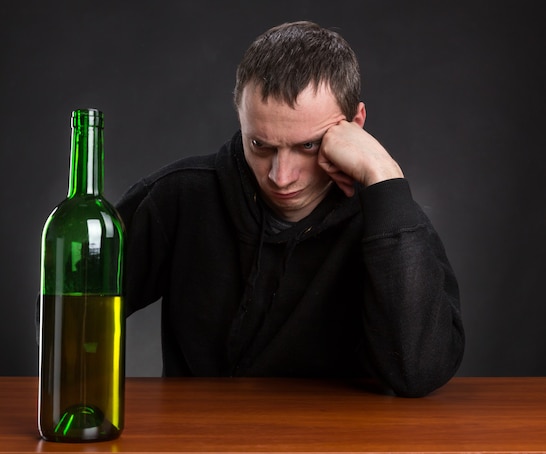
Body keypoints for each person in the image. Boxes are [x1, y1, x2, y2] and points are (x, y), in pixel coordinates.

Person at [116, 21, 465, 397]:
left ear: (355, 125)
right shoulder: (176, 197)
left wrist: (384, 174)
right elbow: (73, 312)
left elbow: (419, 373)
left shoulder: (389, 219)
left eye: (308, 146)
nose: (281, 177)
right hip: (202, 439)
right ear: (241, 117)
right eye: (260, 144)